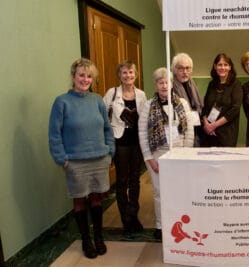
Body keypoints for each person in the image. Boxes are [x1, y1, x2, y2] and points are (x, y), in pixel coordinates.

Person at [48, 58, 115, 259]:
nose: (85, 79)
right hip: (75, 162)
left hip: (99, 159)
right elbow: (54, 134)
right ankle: (86, 240)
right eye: (81, 75)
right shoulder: (62, 102)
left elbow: (107, 127)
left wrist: (110, 151)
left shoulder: (97, 100)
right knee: (80, 201)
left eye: (89, 76)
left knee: (96, 199)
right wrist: (62, 159)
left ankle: (99, 237)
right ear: (73, 77)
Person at [138, 67, 194, 240]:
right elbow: (142, 134)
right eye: (160, 82)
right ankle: (161, 225)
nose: (164, 85)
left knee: (179, 191)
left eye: (166, 82)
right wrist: (149, 158)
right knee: (159, 192)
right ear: (155, 85)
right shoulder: (148, 105)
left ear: (172, 84)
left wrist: (186, 155)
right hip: (157, 155)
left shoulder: (182, 103)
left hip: (179, 154)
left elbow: (189, 131)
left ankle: (179, 224)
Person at [103, 61, 147, 239]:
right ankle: (125, 219)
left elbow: (145, 118)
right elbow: (102, 116)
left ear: (135, 75)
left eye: (130, 72)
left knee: (135, 180)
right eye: (124, 73)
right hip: (120, 143)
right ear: (119, 75)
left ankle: (133, 214)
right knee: (121, 181)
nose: (128, 75)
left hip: (137, 143)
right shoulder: (112, 93)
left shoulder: (141, 95)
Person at [201, 53, 243, 147]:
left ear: (230, 67)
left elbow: (235, 109)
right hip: (209, 133)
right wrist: (206, 124)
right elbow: (205, 106)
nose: (222, 67)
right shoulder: (211, 84)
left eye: (225, 65)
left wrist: (214, 125)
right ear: (215, 66)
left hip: (227, 134)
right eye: (219, 64)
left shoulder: (236, 84)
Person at [171, 53, 203, 146]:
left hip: (196, 129)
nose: (185, 71)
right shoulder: (171, 86)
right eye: (181, 68)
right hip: (180, 132)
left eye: (187, 68)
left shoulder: (192, 83)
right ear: (174, 70)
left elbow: (198, 107)